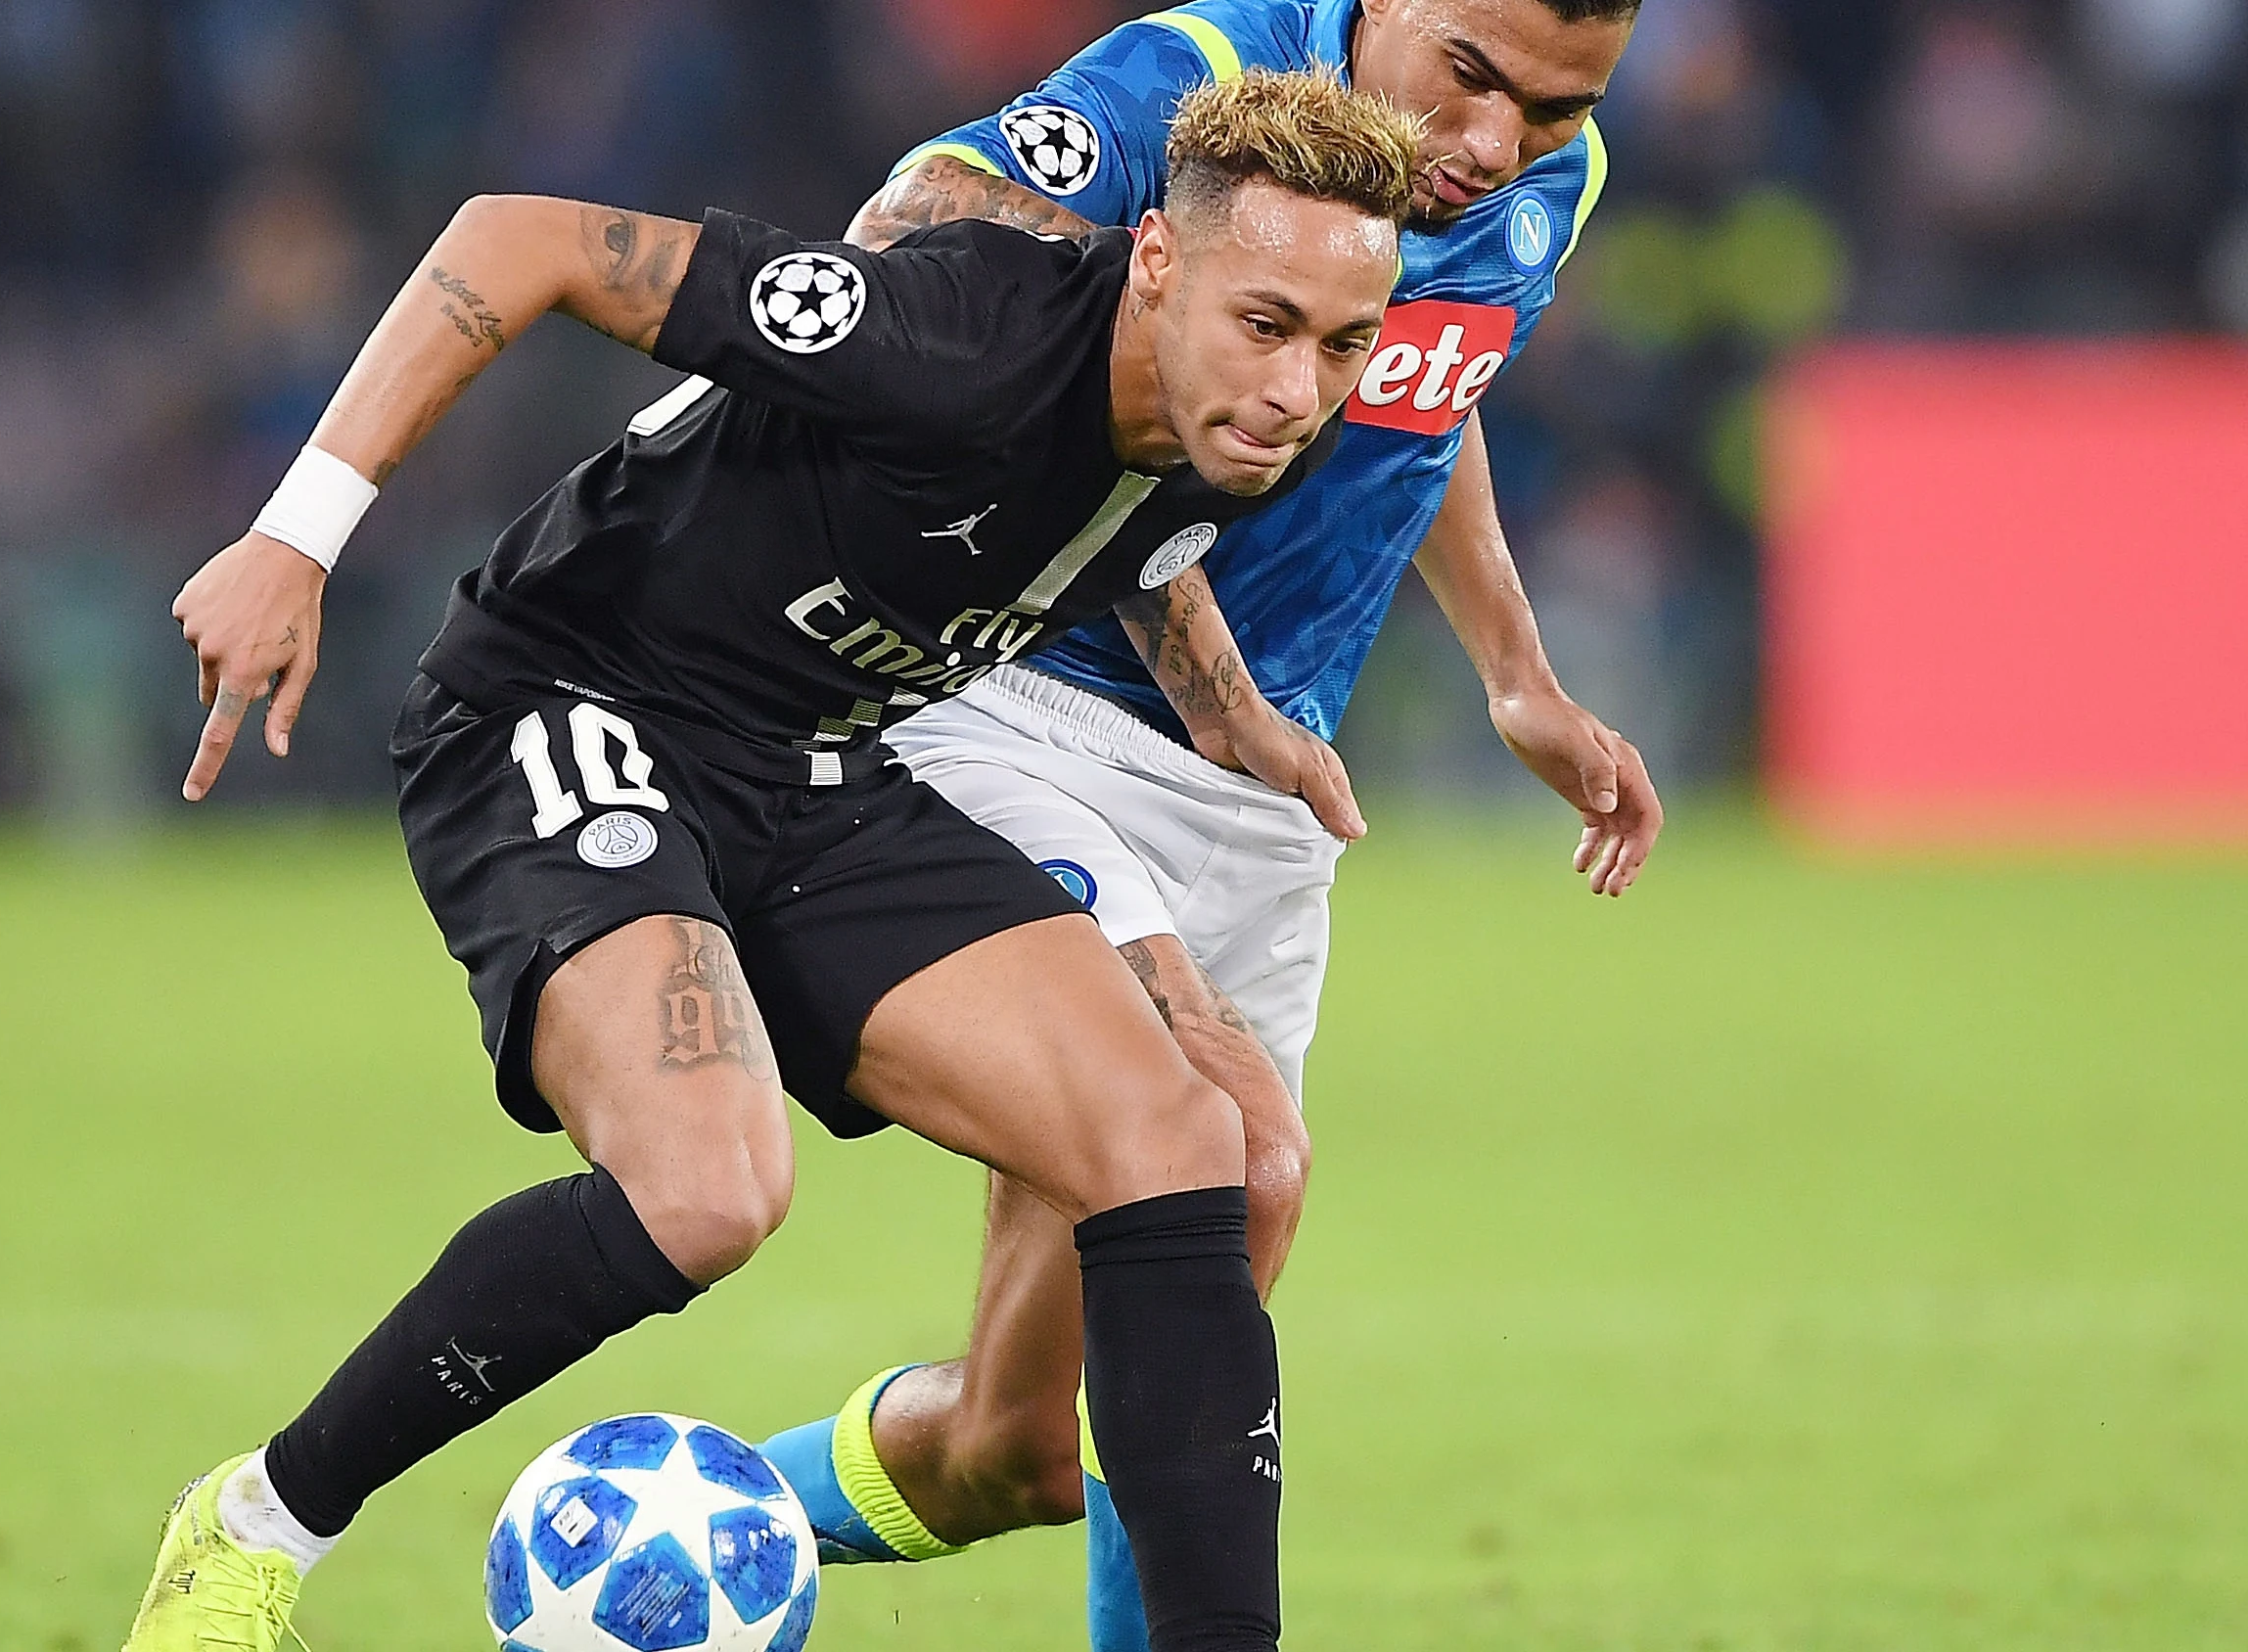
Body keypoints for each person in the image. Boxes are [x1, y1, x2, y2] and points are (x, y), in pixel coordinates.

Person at [121, 69, 1425, 1652]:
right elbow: (519, 237)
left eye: (1345, 346)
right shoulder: (947, 339)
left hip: (820, 769)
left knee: (1182, 1141)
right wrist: (296, 538)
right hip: (570, 701)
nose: (1300, 389)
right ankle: (255, 1525)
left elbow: (1123, 547)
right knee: (710, 1187)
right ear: (1156, 260)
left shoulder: (1220, 431)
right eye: (1269, 324)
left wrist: (1235, 717)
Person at [750, 4, 1663, 1647]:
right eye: (1469, 78)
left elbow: (1417, 396)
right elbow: (907, 244)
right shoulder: (1195, 77)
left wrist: (1517, 672)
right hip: (1024, 708)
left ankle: (673, 1531)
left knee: (1012, 1446)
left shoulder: (1549, 179)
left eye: (1553, 106)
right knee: (1236, 1165)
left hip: (1254, 802)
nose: (1497, 145)